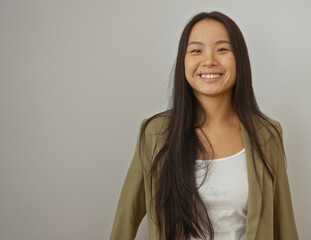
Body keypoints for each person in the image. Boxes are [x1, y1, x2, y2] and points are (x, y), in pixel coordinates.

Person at [110, 11, 299, 240]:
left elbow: (284, 223)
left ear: (239, 59)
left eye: (222, 49)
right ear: (184, 61)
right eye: (196, 50)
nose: (209, 60)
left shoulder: (267, 135)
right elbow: (125, 219)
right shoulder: (155, 134)